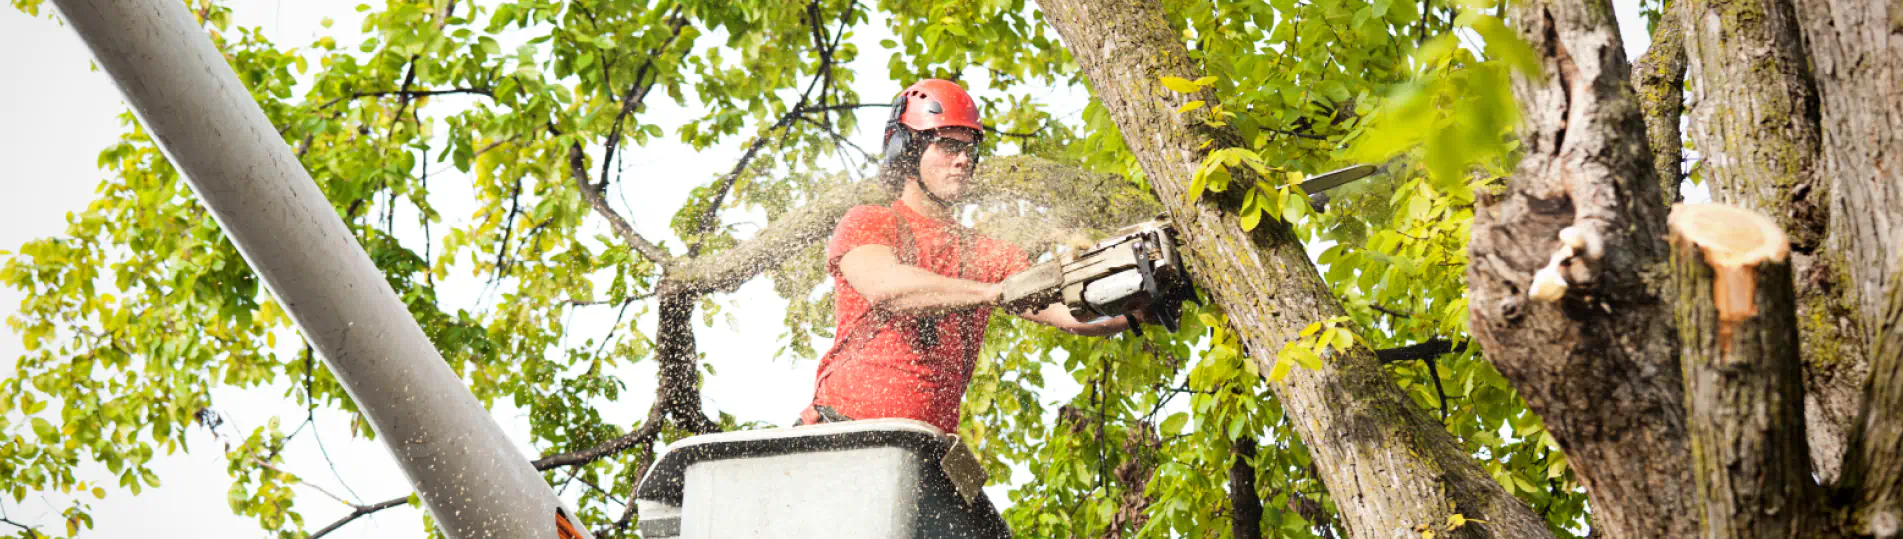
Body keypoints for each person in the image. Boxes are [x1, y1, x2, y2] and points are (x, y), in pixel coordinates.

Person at [798, 79, 1133, 433]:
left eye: (969, 149)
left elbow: (1070, 313)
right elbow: (887, 288)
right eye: (947, 146)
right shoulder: (871, 222)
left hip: (926, 450)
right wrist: (990, 293)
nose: (961, 160)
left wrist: (1138, 307)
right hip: (842, 433)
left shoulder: (987, 254)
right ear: (907, 151)